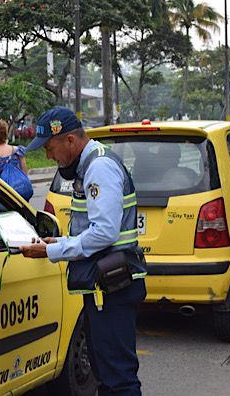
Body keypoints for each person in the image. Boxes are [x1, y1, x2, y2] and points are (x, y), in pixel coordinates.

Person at [19, 106, 146, 395]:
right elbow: (91, 228)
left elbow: (104, 232)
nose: (50, 157)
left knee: (118, 378)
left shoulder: (98, 168)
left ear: (70, 141)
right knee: (105, 373)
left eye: (51, 149)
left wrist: (53, 252)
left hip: (113, 286)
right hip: (105, 285)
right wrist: (60, 243)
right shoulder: (89, 166)